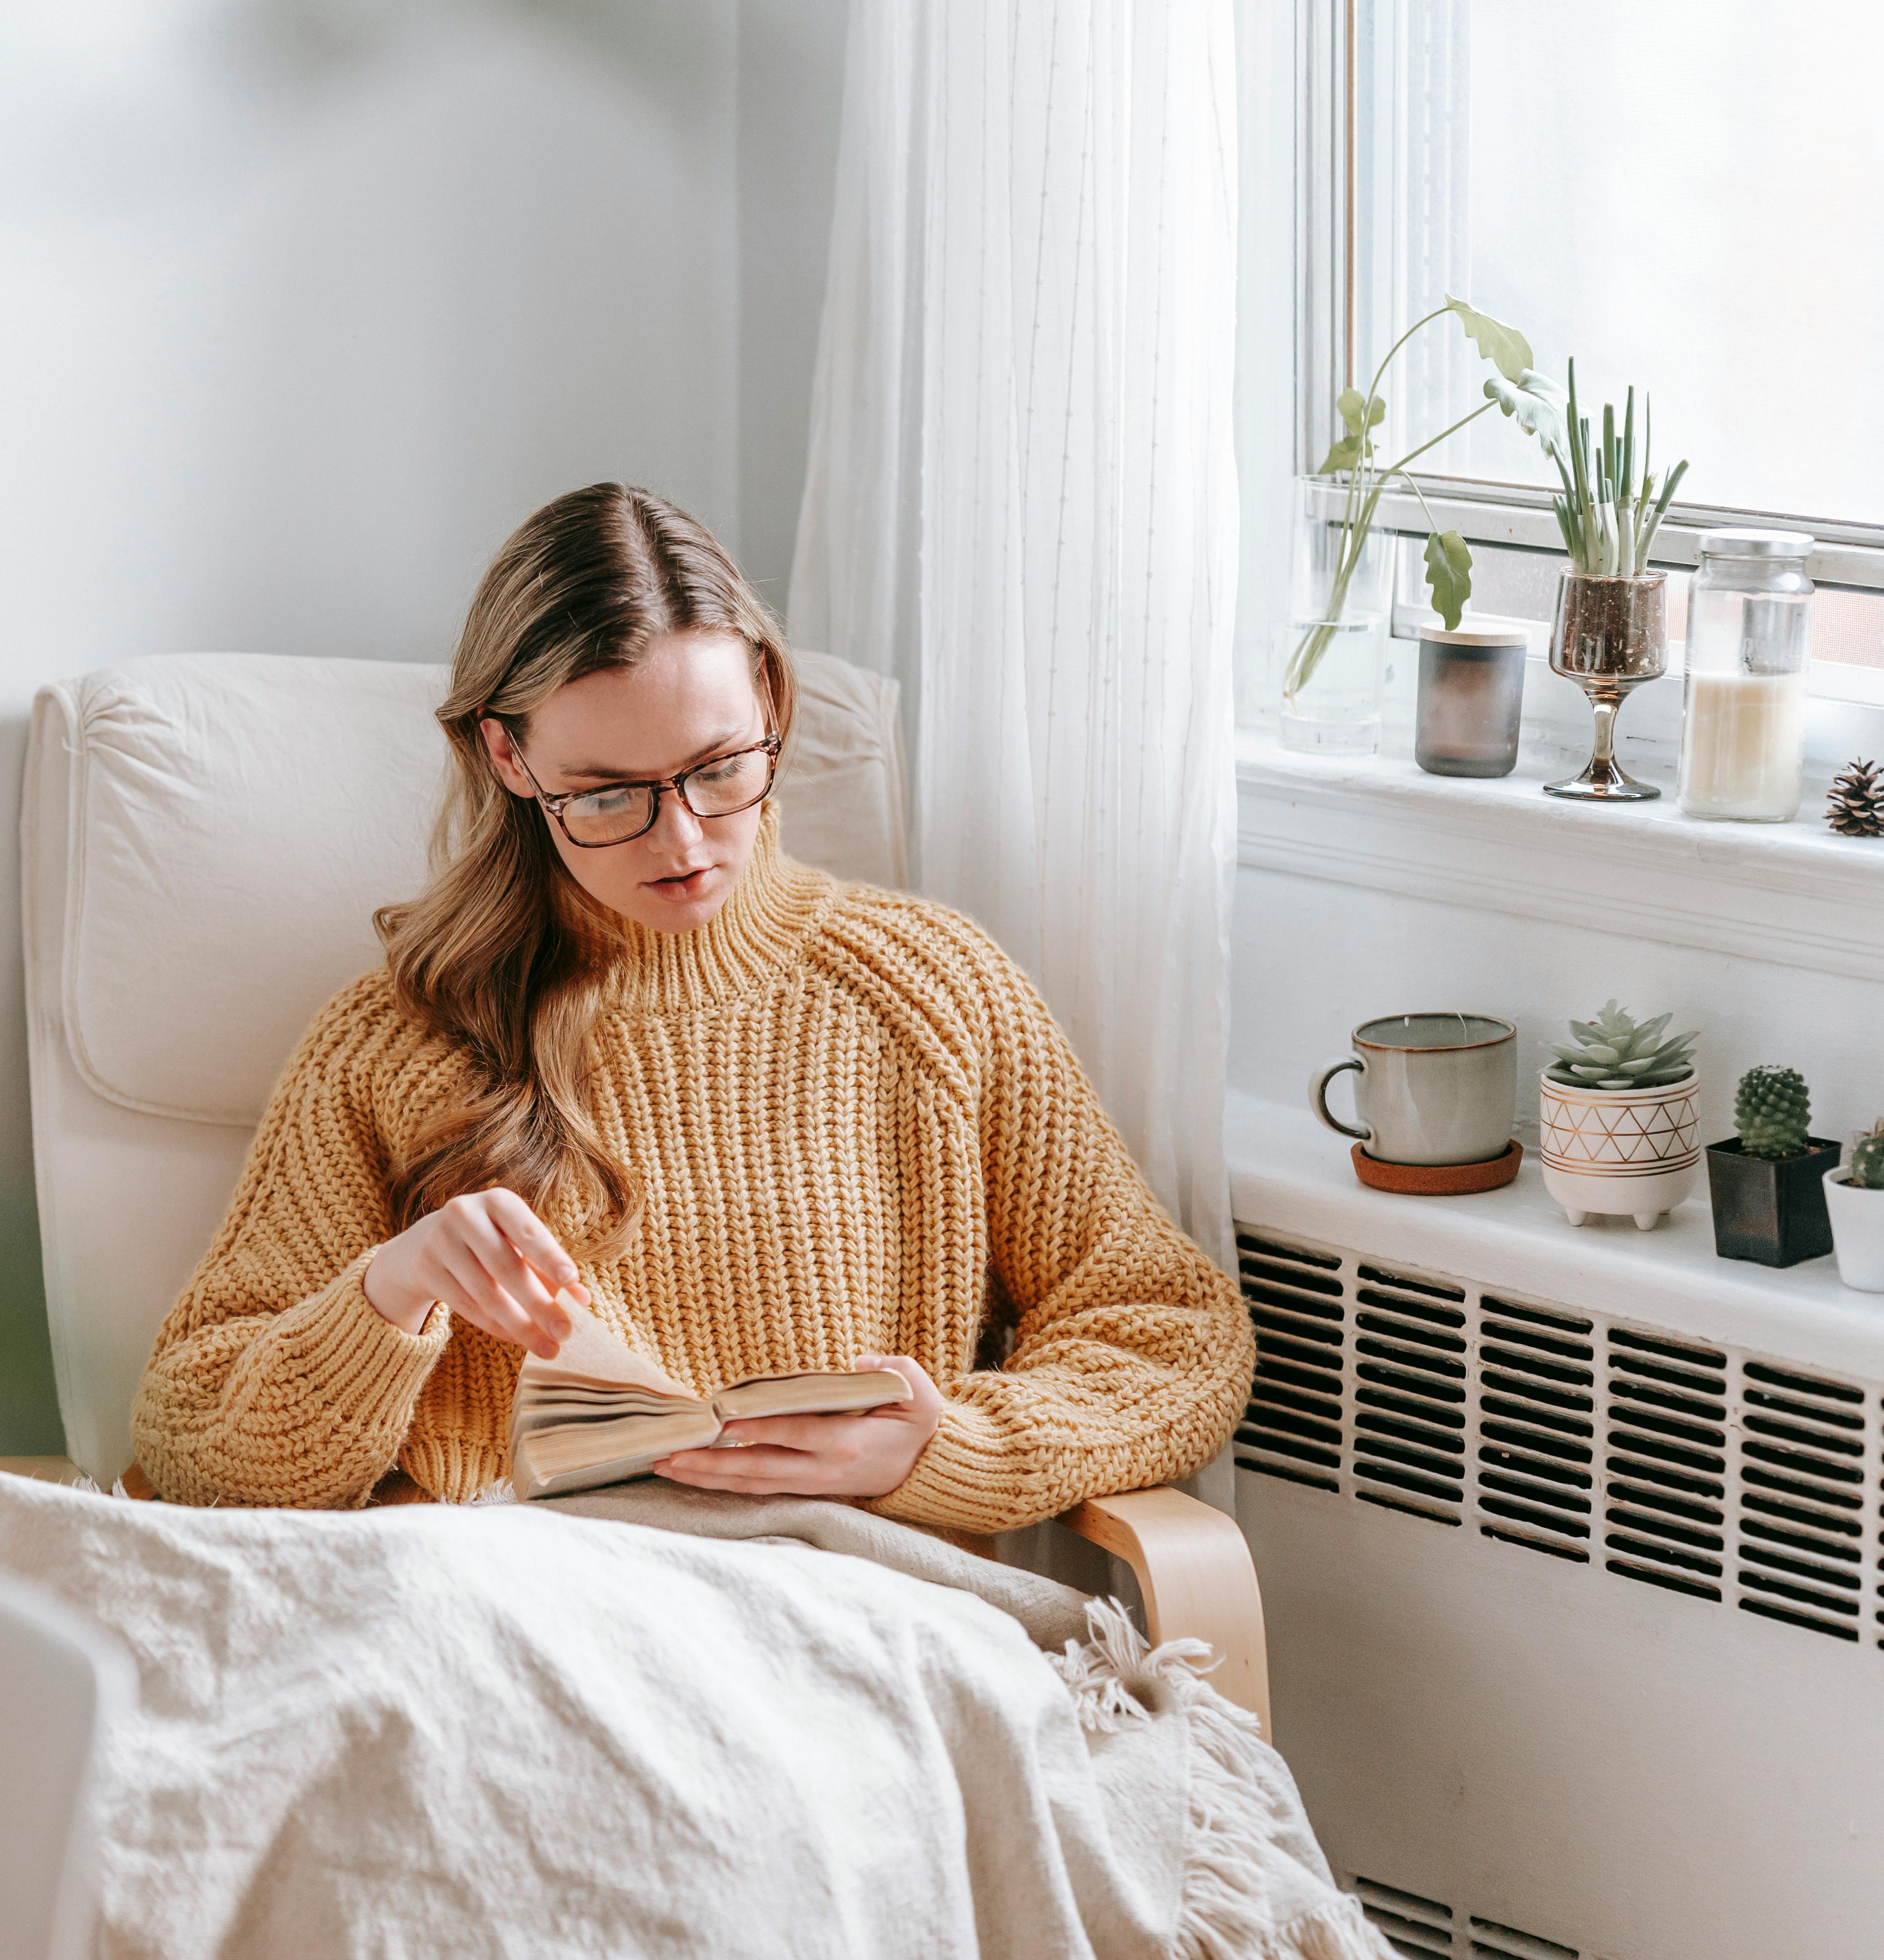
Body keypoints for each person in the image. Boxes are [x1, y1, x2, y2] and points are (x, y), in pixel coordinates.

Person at [129, 482, 1250, 1530]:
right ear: (508, 757)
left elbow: (1177, 1337)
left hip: (843, 1629)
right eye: (609, 793)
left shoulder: (929, 994)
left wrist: (942, 1447)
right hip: (513, 1631)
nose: (682, 842)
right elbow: (188, 1440)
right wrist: (391, 1292)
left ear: (769, 699)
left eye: (719, 769)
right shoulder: (400, 1041)